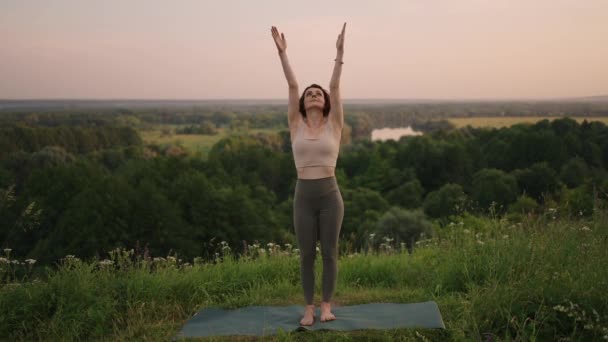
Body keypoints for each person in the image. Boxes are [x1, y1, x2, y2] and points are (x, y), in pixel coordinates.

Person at [271, 22, 346, 326]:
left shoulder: (334, 125)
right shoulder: (295, 125)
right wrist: (282, 54)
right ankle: (309, 308)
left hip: (330, 196)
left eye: (318, 93)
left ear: (325, 101)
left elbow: (336, 86)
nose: (314, 94)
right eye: (310, 93)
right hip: (303, 196)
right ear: (302, 103)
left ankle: (326, 305)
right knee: (306, 255)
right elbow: (291, 86)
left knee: (329, 253)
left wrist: (339, 53)